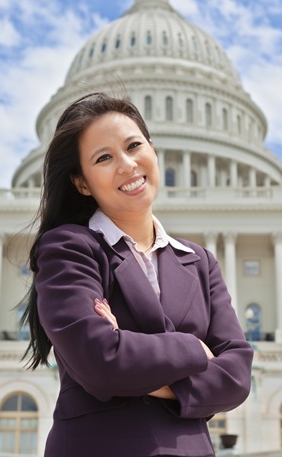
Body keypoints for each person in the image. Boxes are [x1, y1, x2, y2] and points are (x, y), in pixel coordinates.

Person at [20, 92, 253, 456]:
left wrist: (130, 353)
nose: (127, 165)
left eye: (133, 146)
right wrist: (196, 348)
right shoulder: (69, 248)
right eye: (104, 158)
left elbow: (237, 377)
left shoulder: (199, 260)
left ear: (153, 150)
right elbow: (102, 362)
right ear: (81, 182)